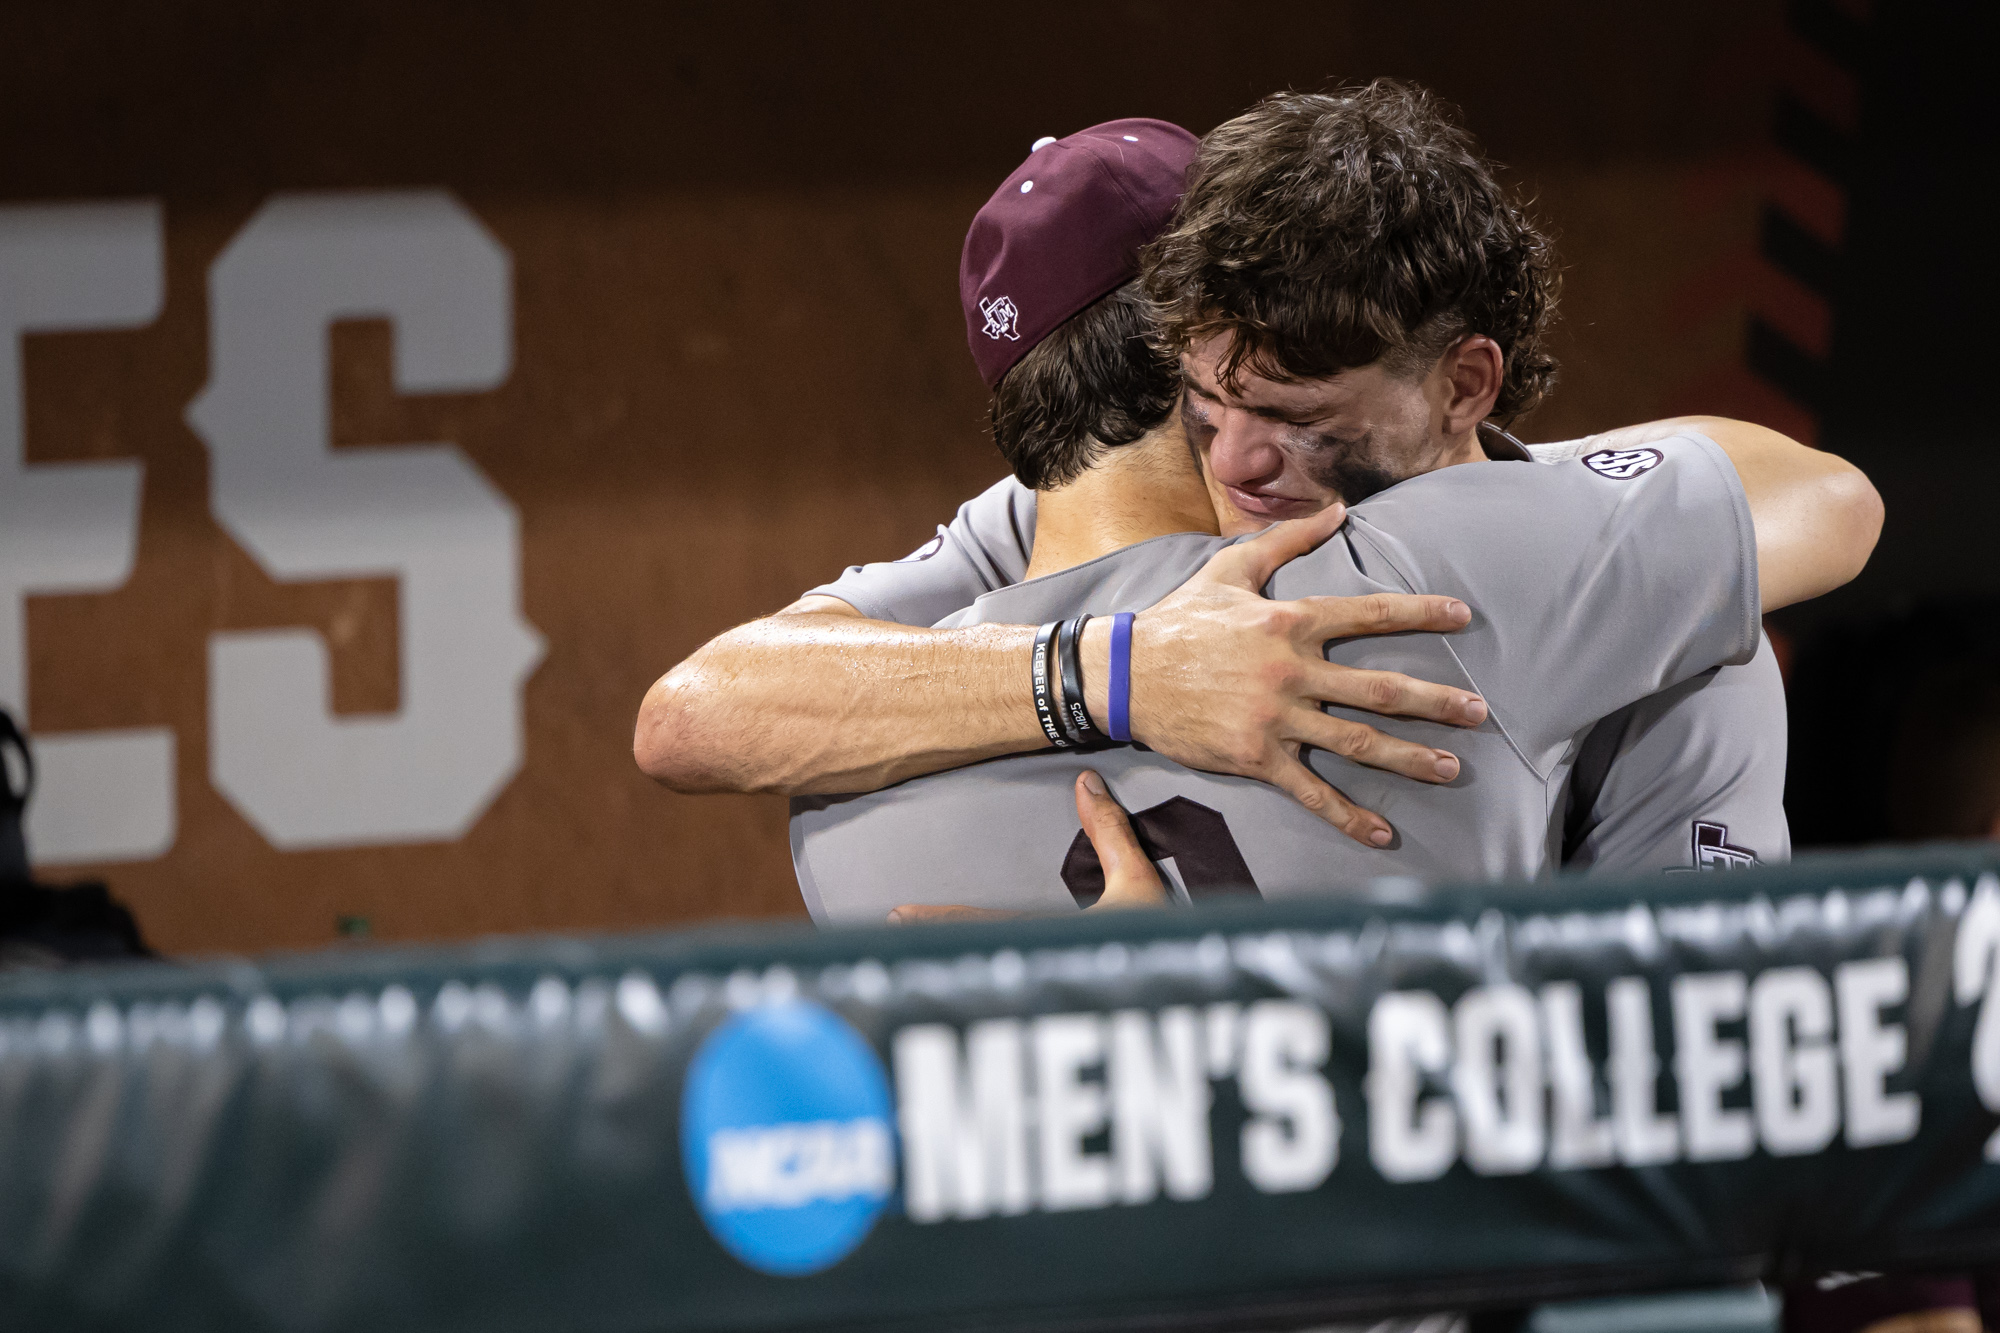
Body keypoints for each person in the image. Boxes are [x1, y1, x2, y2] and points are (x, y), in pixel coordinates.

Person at [636, 89, 1878, 913]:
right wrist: (1123, 673)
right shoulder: (1029, 546)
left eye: (1291, 412)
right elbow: (691, 714)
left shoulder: (1579, 559)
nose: (1237, 461)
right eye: (1209, 400)